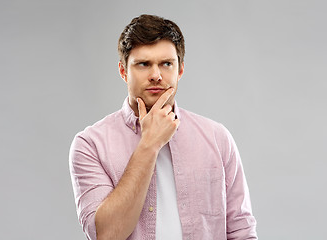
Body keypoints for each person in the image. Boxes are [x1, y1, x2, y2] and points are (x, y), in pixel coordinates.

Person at [69, 14, 257, 240]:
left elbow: (241, 231)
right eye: (143, 64)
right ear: (123, 71)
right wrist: (149, 143)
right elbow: (107, 234)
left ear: (180, 70)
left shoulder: (217, 138)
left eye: (166, 64)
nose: (156, 75)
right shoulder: (90, 145)